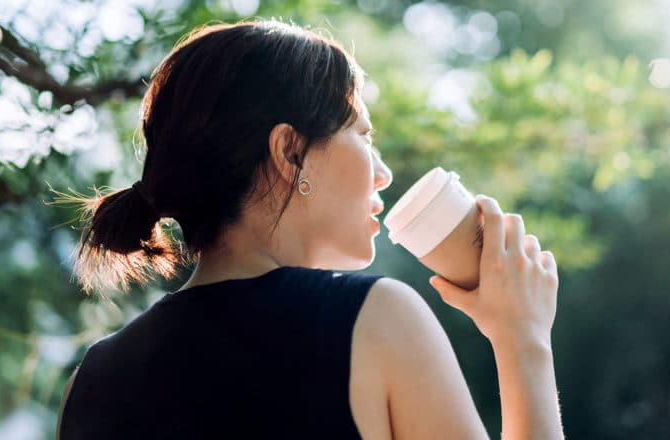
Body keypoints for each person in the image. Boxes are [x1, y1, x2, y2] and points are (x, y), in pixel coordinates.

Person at [55, 19, 564, 439]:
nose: (383, 173)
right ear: (289, 152)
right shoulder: (376, 319)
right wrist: (523, 341)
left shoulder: (92, 380)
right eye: (363, 137)